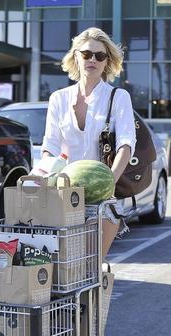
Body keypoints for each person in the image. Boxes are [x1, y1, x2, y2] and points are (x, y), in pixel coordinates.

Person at [41, 27, 136, 258]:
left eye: (99, 55)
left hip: (102, 198)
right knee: (64, 270)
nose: (92, 59)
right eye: (86, 54)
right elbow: (50, 146)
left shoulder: (118, 97)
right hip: (66, 192)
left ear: (107, 62)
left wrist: (108, 183)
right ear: (76, 56)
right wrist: (48, 177)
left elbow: (126, 143)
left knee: (90, 267)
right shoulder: (59, 98)